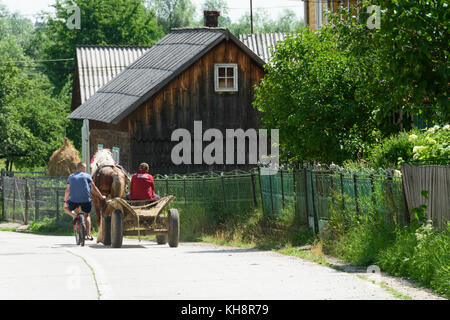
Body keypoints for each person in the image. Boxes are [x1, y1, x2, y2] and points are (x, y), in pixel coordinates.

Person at [64, 162, 106, 240]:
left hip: (73, 200)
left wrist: (65, 201)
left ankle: (74, 216)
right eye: (85, 168)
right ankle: (88, 235)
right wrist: (101, 197)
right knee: (87, 215)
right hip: (85, 200)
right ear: (83, 168)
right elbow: (94, 188)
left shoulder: (71, 177)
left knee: (66, 208)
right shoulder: (87, 176)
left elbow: (67, 190)